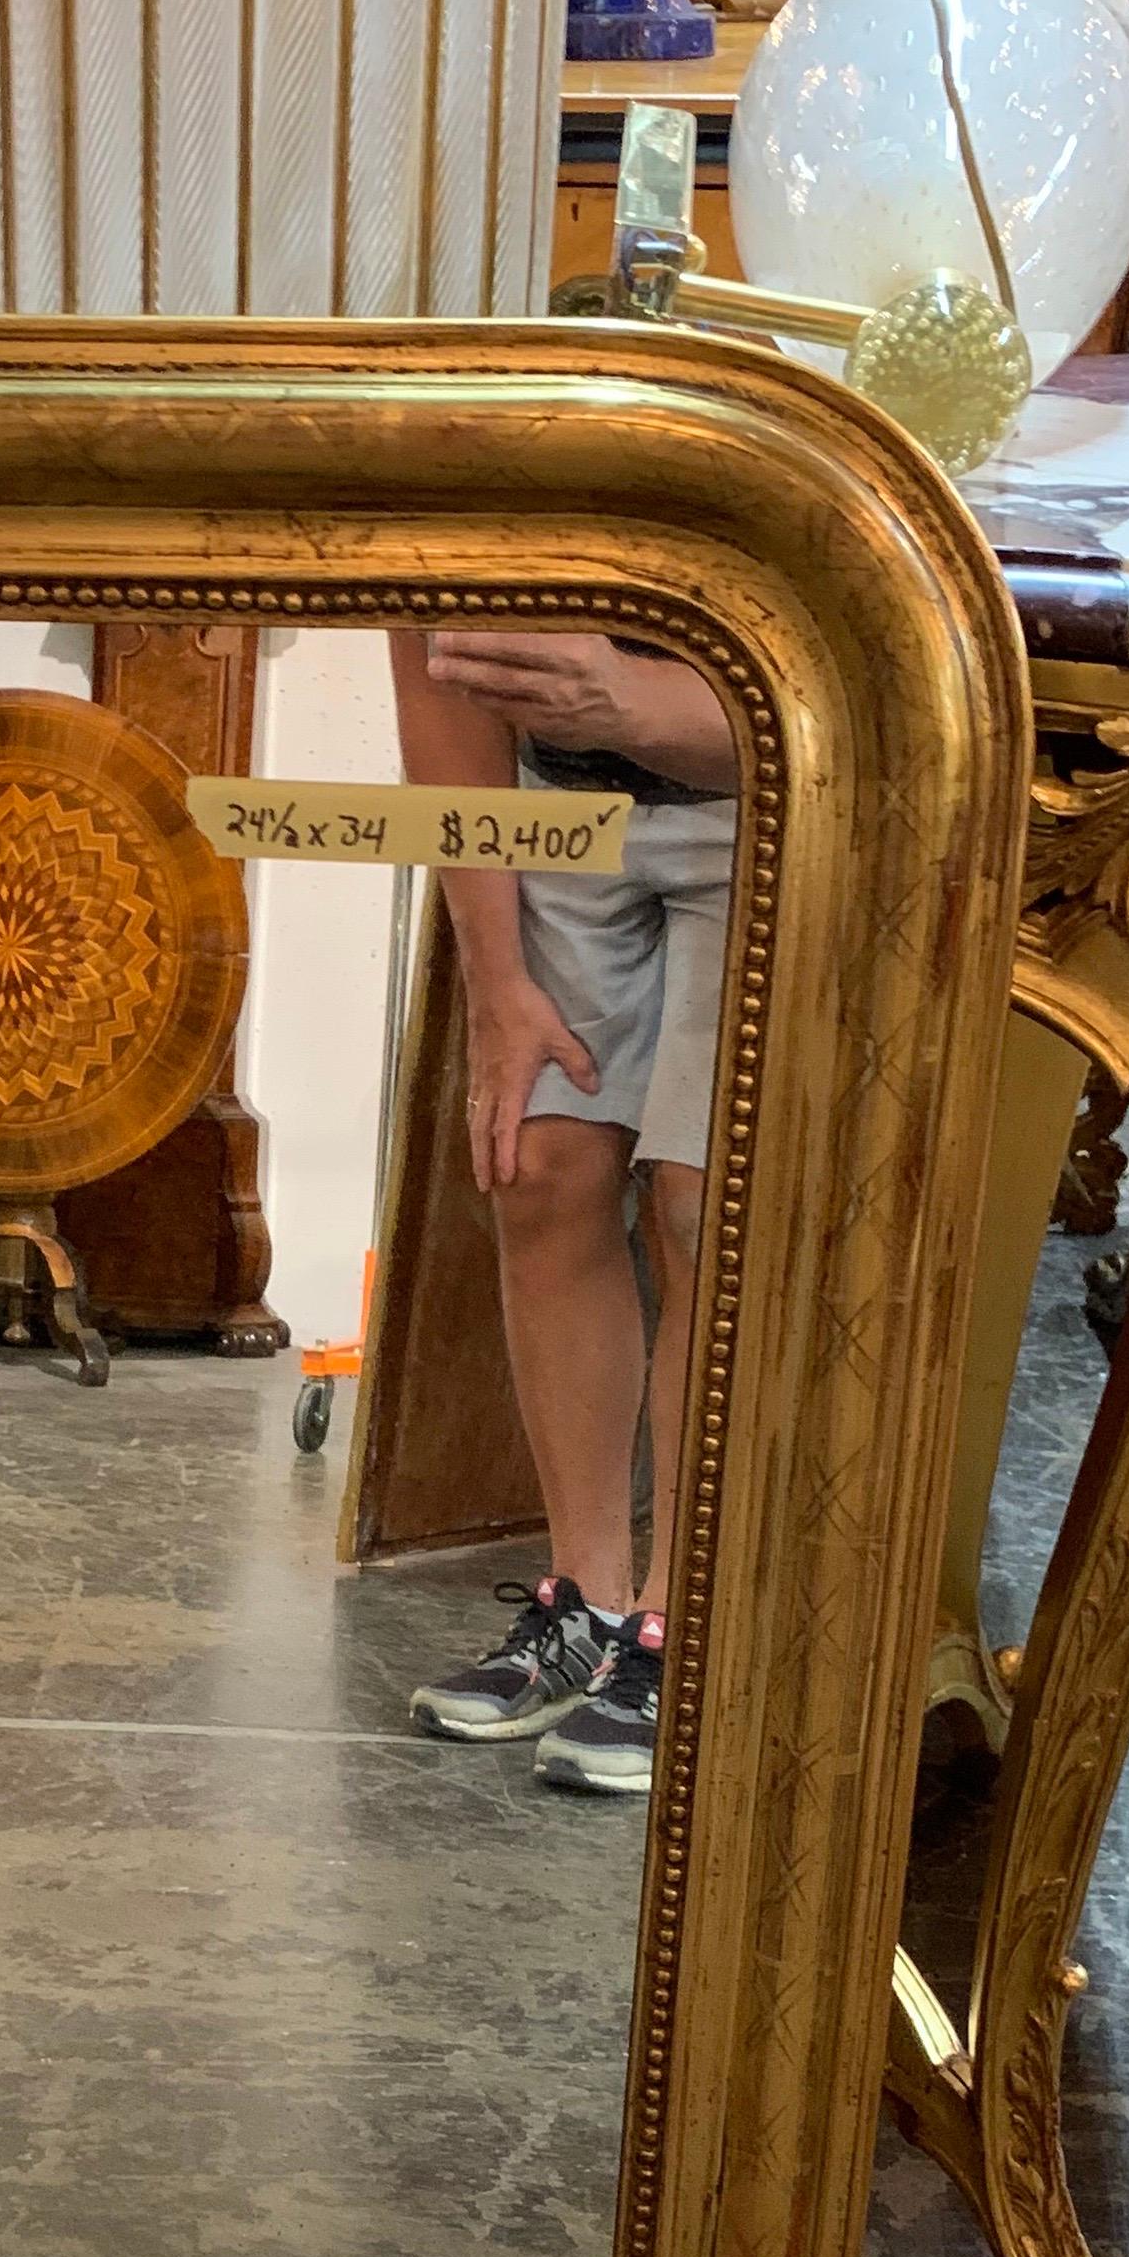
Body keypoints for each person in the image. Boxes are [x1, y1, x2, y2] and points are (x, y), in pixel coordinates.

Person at [389, 625, 739, 1798]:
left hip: (763, 792)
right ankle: (584, 1607)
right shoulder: (436, 463)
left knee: (701, 1207)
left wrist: (640, 704)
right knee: (534, 1166)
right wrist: (493, 981)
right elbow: (436, 682)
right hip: (556, 805)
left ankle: (678, 1633)